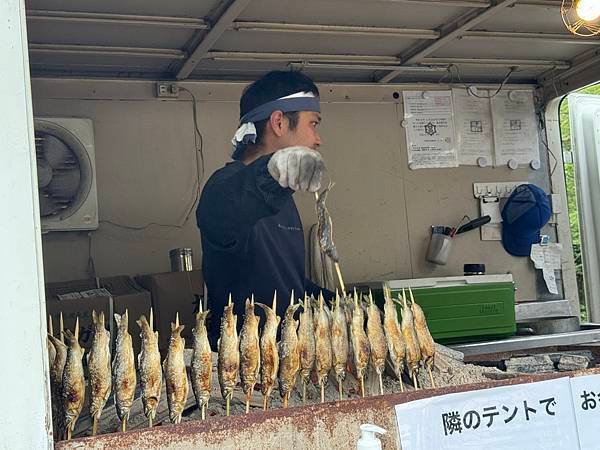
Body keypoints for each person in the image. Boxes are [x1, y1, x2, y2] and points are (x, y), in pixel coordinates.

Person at [197, 70, 333, 345]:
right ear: (279, 122)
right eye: (313, 124)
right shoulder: (223, 187)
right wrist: (275, 172)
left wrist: (336, 303)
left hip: (293, 356)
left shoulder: (284, 198)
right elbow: (227, 208)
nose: (317, 139)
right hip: (245, 365)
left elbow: (284, 281)